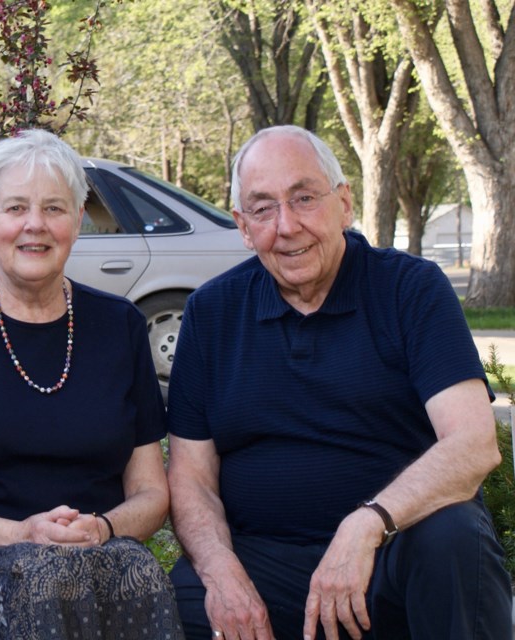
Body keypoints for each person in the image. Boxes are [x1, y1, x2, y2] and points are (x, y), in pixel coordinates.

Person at [166, 125, 512, 640]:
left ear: (344, 203)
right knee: (186, 599)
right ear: (242, 225)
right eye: (262, 209)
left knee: (454, 537)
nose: (286, 226)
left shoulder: (411, 290)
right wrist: (221, 571)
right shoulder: (211, 312)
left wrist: (367, 524)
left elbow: (473, 444)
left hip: (395, 547)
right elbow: (190, 476)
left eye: (305, 198)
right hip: (267, 561)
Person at [0, 128, 184, 639]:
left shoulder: (120, 326)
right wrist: (19, 536)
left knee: (136, 572)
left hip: (99, 553)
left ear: (77, 220)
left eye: (54, 207)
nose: (35, 225)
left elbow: (150, 492)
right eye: (15, 208)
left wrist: (102, 528)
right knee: (47, 578)